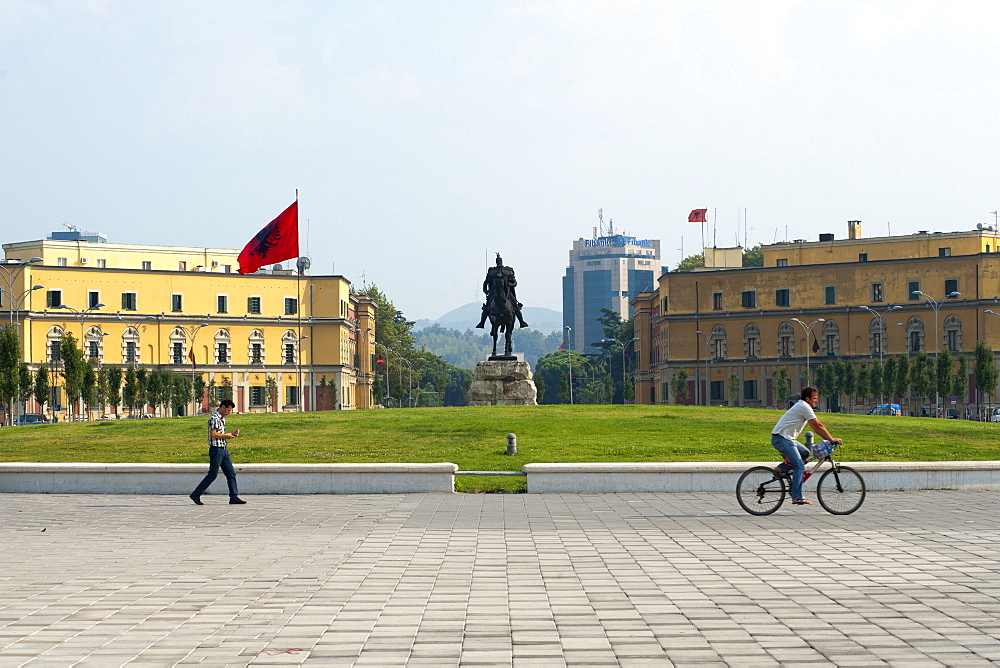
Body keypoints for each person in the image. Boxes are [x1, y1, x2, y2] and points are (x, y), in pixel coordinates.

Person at [771, 386, 841, 505]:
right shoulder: (804, 406)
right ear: (807, 398)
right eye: (814, 398)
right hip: (782, 438)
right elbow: (817, 426)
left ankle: (782, 468)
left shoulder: (803, 406)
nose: (816, 400)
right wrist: (830, 439)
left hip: (786, 438)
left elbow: (818, 425)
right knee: (799, 466)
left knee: (805, 453)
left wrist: (829, 438)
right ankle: (797, 497)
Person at [189, 399, 246, 505]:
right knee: (212, 474)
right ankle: (196, 494)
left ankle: (234, 496)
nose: (229, 413)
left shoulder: (222, 419)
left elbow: (219, 434)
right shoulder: (215, 419)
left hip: (223, 449)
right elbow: (213, 434)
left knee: (231, 473)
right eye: (228, 410)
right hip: (216, 450)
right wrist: (226, 435)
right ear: (223, 407)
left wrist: (231, 435)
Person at [476, 253, 529, 329]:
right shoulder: (491, 271)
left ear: (502, 261)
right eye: (497, 260)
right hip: (493, 292)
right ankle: (482, 322)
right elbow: (486, 282)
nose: (499, 261)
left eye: (500, 260)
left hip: (506, 291)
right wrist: (485, 290)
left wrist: (508, 284)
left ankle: (521, 322)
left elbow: (515, 283)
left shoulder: (508, 271)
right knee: (487, 307)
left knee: (515, 305)